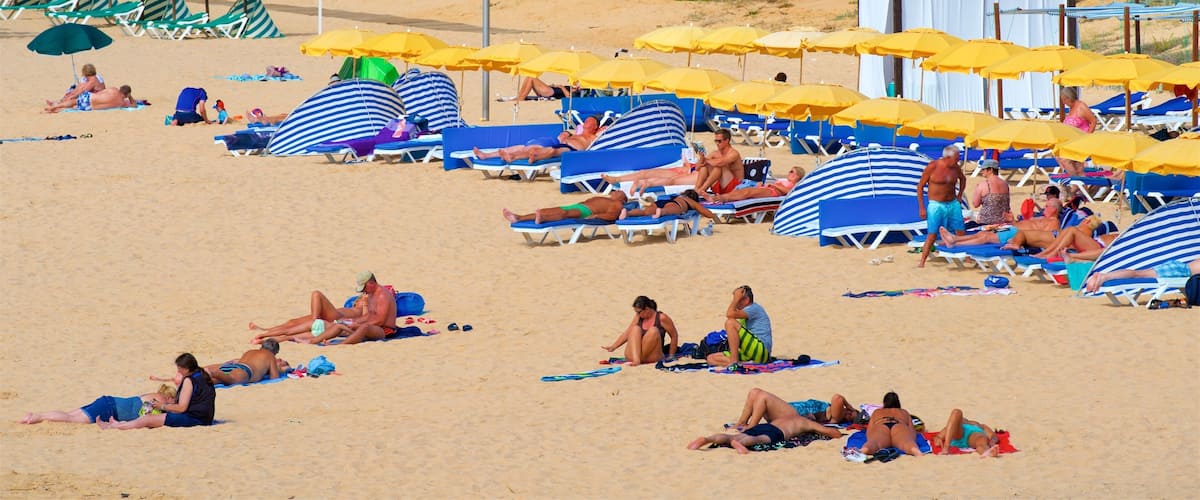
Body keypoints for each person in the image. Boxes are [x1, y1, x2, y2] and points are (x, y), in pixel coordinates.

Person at [97, 353, 216, 430]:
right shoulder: (203, 375)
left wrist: (162, 405)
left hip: (196, 419)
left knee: (148, 419)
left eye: (179, 369)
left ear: (186, 368)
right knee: (152, 418)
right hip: (205, 418)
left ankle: (112, 426)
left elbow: (182, 408)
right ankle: (119, 424)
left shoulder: (189, 381)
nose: (178, 371)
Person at [249, 274, 373, 343]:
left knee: (316, 294)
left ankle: (314, 321)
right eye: (361, 298)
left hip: (334, 318)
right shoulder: (353, 306)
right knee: (292, 323)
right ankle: (265, 331)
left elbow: (365, 319)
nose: (363, 298)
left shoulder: (363, 309)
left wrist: (366, 304)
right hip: (329, 317)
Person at [297, 271, 400, 345]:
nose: (363, 291)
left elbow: (380, 321)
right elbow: (369, 315)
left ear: (371, 283)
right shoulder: (371, 293)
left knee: (364, 327)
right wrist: (352, 321)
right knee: (339, 324)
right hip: (372, 325)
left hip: (384, 331)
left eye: (364, 288)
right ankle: (312, 341)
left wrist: (358, 324)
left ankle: (340, 344)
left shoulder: (382, 295)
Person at [20, 384, 176, 425]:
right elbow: (145, 415)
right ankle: (39, 417)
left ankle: (37, 415)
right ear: (169, 396)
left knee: (70, 414)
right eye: (173, 400)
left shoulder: (152, 395)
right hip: (110, 408)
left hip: (108, 402)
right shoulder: (159, 399)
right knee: (72, 419)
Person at [687, 414, 843, 454]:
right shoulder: (806, 422)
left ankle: (707, 439)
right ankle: (740, 444)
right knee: (759, 439)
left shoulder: (785, 417)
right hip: (776, 432)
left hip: (766, 425)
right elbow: (830, 433)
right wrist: (839, 434)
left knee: (731, 437)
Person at [917, 146, 968, 268]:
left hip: (952, 203)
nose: (958, 160)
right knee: (932, 233)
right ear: (947, 157)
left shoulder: (956, 167)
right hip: (936, 204)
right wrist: (922, 208)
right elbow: (920, 187)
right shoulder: (933, 166)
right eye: (956, 158)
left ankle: (967, 256)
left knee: (960, 230)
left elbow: (963, 179)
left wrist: (960, 194)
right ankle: (922, 261)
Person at [473, 116, 600, 163]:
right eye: (586, 120)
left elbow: (606, 134)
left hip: (572, 149)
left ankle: (514, 157)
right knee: (525, 146)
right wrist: (566, 134)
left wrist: (602, 130)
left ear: (595, 126)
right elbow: (566, 132)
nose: (586, 122)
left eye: (590, 121)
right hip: (559, 142)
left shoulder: (594, 136)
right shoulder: (575, 132)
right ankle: (487, 155)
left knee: (551, 151)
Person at [727, 388, 859, 431]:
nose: (847, 413)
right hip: (784, 411)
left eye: (849, 415)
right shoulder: (831, 409)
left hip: (792, 415)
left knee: (763, 397)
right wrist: (851, 409)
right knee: (754, 392)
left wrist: (849, 406)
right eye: (849, 411)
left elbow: (837, 398)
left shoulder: (835, 417)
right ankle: (741, 423)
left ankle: (752, 428)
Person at [601, 296, 681, 365]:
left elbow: (674, 335)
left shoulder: (661, 318)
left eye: (639, 312)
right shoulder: (638, 317)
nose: (637, 314)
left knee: (653, 330)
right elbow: (628, 333)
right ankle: (637, 359)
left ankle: (637, 360)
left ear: (647, 309)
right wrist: (613, 347)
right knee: (635, 329)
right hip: (635, 356)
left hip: (651, 356)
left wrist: (671, 355)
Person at [706, 285, 772, 367]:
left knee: (730, 323)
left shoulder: (754, 308)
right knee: (711, 358)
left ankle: (734, 362)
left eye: (738, 299)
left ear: (746, 300)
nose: (736, 303)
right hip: (750, 352)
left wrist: (735, 299)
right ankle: (743, 364)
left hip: (761, 350)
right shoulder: (745, 312)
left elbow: (729, 314)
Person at [848, 392, 923, 457]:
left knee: (874, 443)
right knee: (907, 443)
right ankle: (917, 452)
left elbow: (870, 429)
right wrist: (910, 439)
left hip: (882, 425)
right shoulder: (904, 412)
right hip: (898, 425)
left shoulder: (877, 412)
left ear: (884, 402)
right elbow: (911, 430)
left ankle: (863, 450)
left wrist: (872, 438)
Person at [502, 191, 628, 224]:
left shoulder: (617, 204)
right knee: (548, 210)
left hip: (586, 211)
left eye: (619, 192)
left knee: (565, 214)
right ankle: (519, 217)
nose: (616, 191)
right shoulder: (609, 199)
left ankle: (543, 219)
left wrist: (596, 216)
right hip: (579, 206)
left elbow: (612, 216)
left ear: (623, 199)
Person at [1085, 258, 1200, 294]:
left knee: (1138, 273)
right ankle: (1105, 277)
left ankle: (1106, 276)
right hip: (1179, 271)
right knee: (1137, 274)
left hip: (1177, 266)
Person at [201, 339, 287, 385]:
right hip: (245, 371)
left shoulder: (249, 352)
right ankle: (213, 373)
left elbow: (234, 361)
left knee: (217, 381)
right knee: (229, 380)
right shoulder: (270, 355)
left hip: (236, 367)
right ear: (275, 352)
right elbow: (274, 378)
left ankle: (200, 378)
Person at [1055, 86, 1097, 177]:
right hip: (1072, 142)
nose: (1063, 103)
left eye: (1063, 100)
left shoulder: (1081, 106)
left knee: (1064, 160)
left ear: (1068, 98)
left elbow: (1093, 121)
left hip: (1080, 142)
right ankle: (1081, 187)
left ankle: (1075, 181)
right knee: (1078, 168)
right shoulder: (1072, 108)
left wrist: (1087, 137)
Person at [694, 130, 744, 199]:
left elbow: (720, 163)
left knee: (719, 166)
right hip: (720, 186)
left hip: (735, 187)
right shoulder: (715, 153)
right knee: (705, 166)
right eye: (716, 141)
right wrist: (702, 158)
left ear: (727, 140)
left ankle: (701, 190)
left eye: (719, 141)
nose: (717, 143)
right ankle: (696, 189)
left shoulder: (733, 153)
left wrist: (706, 160)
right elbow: (697, 168)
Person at [928, 409, 1000, 457]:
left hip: (974, 436)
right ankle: (946, 448)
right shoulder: (957, 424)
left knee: (981, 441)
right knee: (956, 412)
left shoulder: (981, 425)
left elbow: (993, 436)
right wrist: (937, 439)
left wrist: (992, 442)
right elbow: (939, 436)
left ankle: (986, 452)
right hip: (960, 433)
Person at [708, 167, 804, 203]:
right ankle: (721, 197)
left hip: (772, 192)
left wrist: (773, 185)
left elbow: (789, 192)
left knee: (748, 192)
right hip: (768, 188)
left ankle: (722, 198)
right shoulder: (783, 180)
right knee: (743, 190)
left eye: (792, 172)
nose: (789, 173)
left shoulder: (795, 185)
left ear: (797, 176)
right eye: (789, 170)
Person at [618, 189, 717, 220]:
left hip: (661, 202)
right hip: (675, 204)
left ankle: (627, 213)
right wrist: (713, 215)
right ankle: (661, 212)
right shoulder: (691, 202)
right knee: (669, 210)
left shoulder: (678, 196)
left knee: (645, 212)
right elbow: (705, 211)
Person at [44, 85, 136, 113]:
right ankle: (55, 109)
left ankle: (55, 106)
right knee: (73, 108)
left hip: (91, 98)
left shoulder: (113, 90)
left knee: (73, 102)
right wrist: (130, 96)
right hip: (90, 107)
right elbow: (134, 105)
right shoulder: (122, 103)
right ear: (127, 94)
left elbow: (101, 93)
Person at [973, 160, 1011, 225]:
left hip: (987, 222)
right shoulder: (1005, 184)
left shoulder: (983, 185)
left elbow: (975, 204)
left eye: (983, 169)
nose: (981, 171)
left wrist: (976, 190)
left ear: (990, 170)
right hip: (1004, 221)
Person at [500, 77, 581, 101]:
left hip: (551, 93)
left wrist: (561, 86)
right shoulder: (573, 88)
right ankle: (520, 96)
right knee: (529, 77)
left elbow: (568, 96)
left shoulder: (578, 91)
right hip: (550, 90)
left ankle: (521, 97)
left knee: (531, 77)